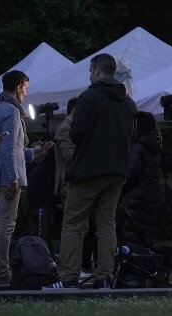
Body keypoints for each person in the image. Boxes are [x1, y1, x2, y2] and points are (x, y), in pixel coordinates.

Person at [56, 53, 137, 289]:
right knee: (106, 224)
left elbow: (76, 133)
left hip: (87, 170)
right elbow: (132, 136)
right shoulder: (128, 103)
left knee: (73, 222)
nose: (90, 76)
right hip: (117, 171)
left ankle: (69, 277)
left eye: (90, 71)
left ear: (97, 70)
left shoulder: (89, 97)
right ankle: (104, 277)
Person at [0, 69, 38, 286]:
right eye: (25, 89)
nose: (26, 94)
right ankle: (2, 274)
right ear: (18, 87)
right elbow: (8, 148)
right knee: (5, 227)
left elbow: (6, 149)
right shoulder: (13, 111)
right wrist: (13, 178)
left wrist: (34, 153)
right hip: (8, 177)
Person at [119, 112, 162, 249]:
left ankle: (131, 266)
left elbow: (130, 173)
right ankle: (142, 265)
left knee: (131, 237)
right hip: (149, 196)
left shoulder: (138, 147)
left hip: (134, 198)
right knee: (144, 236)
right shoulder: (154, 145)